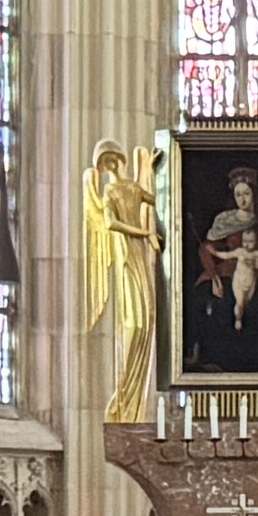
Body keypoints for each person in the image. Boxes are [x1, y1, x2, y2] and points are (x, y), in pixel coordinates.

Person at [84, 140, 165, 424]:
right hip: (127, 256)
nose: (111, 166)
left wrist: (155, 171)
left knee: (148, 319)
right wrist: (142, 233)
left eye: (113, 160)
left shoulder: (132, 188)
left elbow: (157, 200)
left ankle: (134, 397)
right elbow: (109, 223)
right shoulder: (108, 190)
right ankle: (123, 396)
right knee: (134, 322)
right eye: (105, 162)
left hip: (141, 256)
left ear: (120, 159)